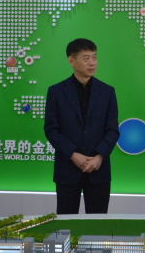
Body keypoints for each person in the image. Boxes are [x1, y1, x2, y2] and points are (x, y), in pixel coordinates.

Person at [44, 38, 119, 214]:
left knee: (98, 224)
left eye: (94, 57)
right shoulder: (56, 92)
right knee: (66, 222)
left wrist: (99, 157)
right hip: (67, 170)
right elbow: (51, 129)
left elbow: (112, 130)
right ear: (71, 60)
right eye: (86, 58)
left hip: (98, 170)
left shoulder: (107, 91)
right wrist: (73, 155)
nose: (92, 63)